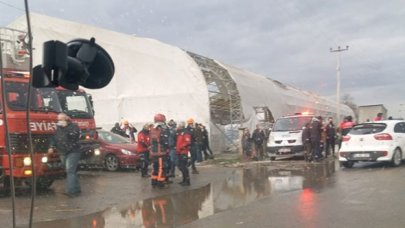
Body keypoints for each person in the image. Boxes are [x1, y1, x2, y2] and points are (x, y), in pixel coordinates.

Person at [48, 113, 82, 197]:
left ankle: (72, 190)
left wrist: (65, 128)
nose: (59, 121)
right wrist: (51, 147)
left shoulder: (74, 127)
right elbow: (54, 138)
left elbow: (75, 136)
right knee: (71, 171)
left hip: (73, 151)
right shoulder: (58, 129)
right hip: (62, 152)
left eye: (61, 120)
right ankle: (77, 188)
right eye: (58, 120)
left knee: (70, 170)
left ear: (66, 119)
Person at [150, 113, 171, 188]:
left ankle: (154, 182)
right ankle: (160, 183)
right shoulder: (163, 129)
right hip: (161, 152)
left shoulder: (152, 128)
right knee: (162, 168)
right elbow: (165, 141)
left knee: (155, 168)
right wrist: (168, 147)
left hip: (154, 152)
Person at [176, 121, 191, 186]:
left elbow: (187, 142)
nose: (177, 126)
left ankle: (187, 180)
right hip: (179, 152)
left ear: (181, 126)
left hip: (183, 152)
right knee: (181, 166)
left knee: (184, 167)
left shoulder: (185, 132)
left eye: (178, 125)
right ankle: (184, 179)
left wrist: (181, 147)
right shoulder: (180, 133)